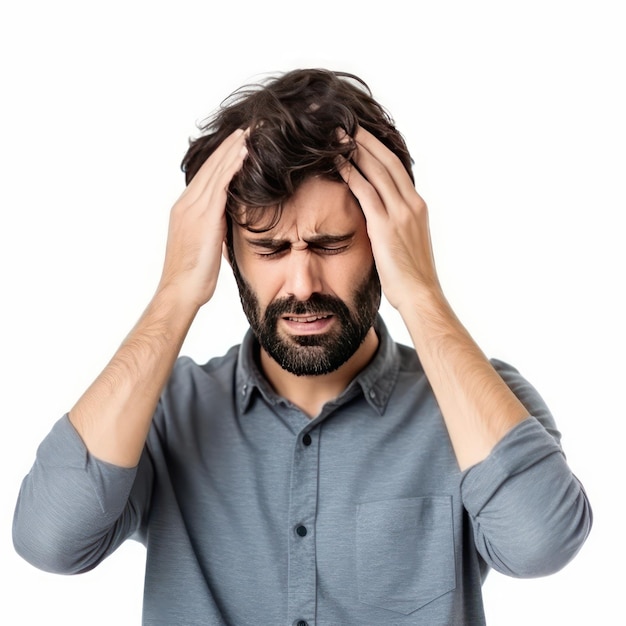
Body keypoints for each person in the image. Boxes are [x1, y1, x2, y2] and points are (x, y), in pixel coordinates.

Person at [13, 69, 591, 626]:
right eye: (268, 249)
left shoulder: (482, 404)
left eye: (333, 244)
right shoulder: (160, 412)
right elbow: (51, 541)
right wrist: (174, 294)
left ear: (386, 240)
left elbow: (541, 544)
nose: (302, 285)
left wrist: (420, 291)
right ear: (227, 251)